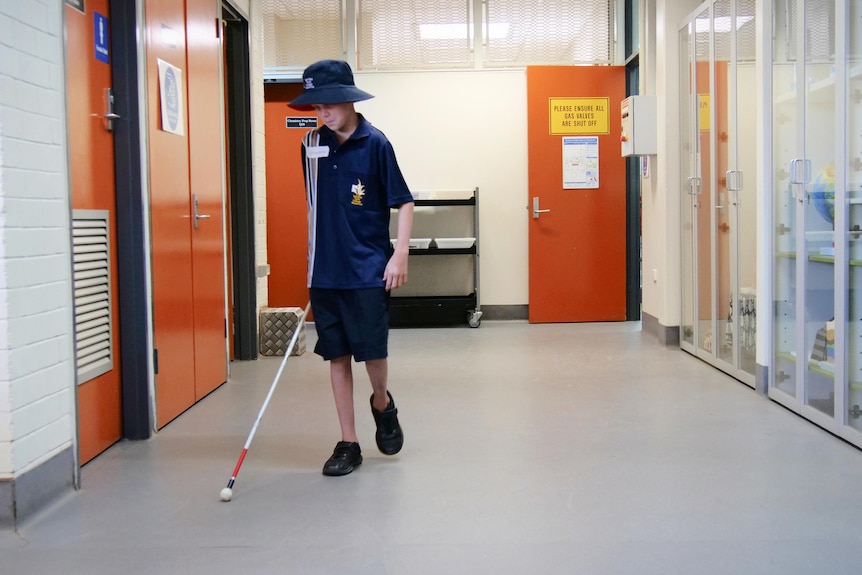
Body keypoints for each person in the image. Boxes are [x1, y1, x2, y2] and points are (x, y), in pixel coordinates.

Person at [288, 60, 415, 476]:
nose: (323, 114)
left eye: (330, 104)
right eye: (316, 107)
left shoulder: (375, 143)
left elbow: (404, 201)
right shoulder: (309, 144)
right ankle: (349, 441)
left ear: (348, 99)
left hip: (367, 268)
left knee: (372, 353)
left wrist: (399, 254)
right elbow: (315, 205)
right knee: (337, 356)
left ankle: (382, 401)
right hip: (325, 270)